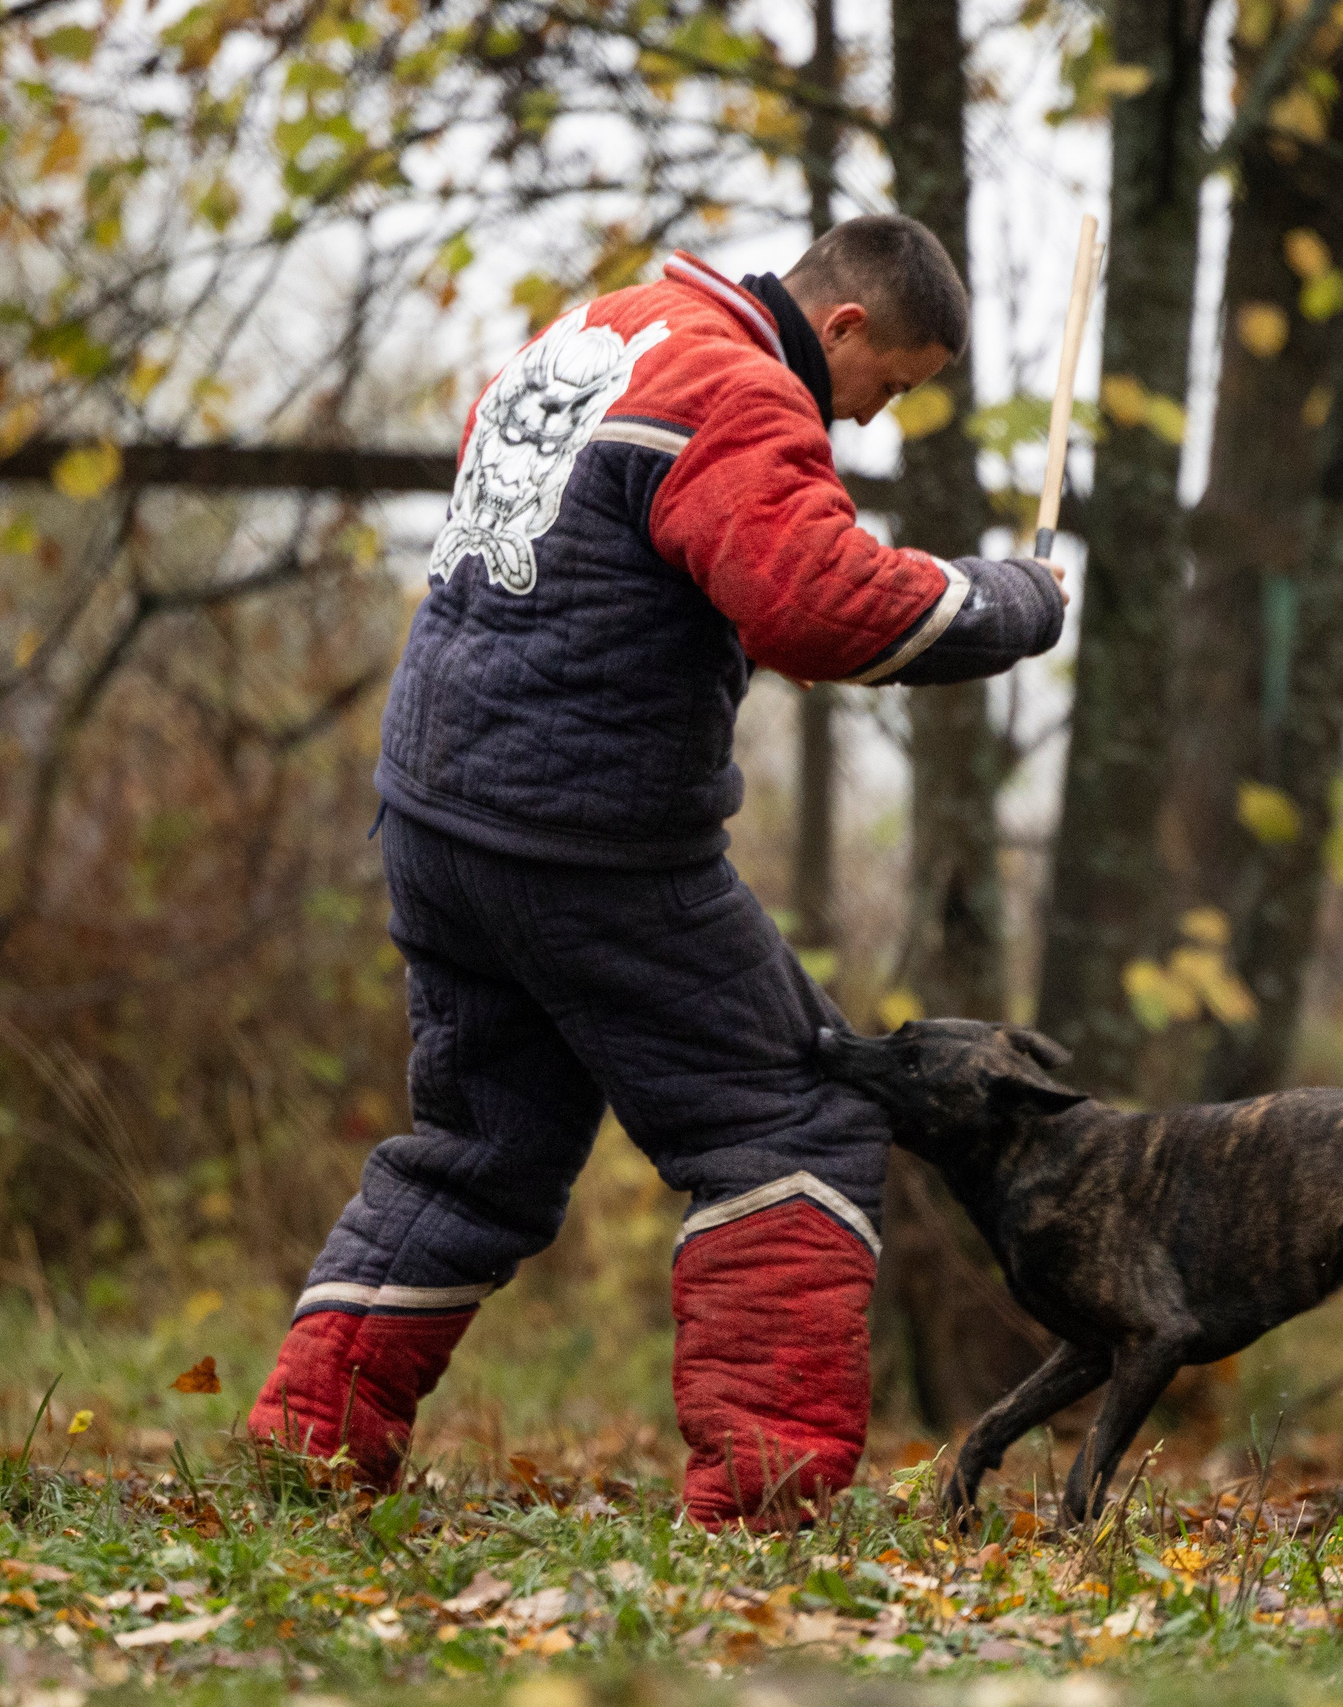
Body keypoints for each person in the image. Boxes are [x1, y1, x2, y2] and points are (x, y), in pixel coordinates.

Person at [247, 214, 1069, 1526]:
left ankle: (308, 1445)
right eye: (889, 386)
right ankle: (761, 1509)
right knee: (793, 1118)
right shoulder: (739, 389)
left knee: (481, 1152)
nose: (866, 418)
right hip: (582, 839)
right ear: (844, 327)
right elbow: (818, 603)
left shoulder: (603, 333)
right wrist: (1013, 600)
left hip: (436, 814)